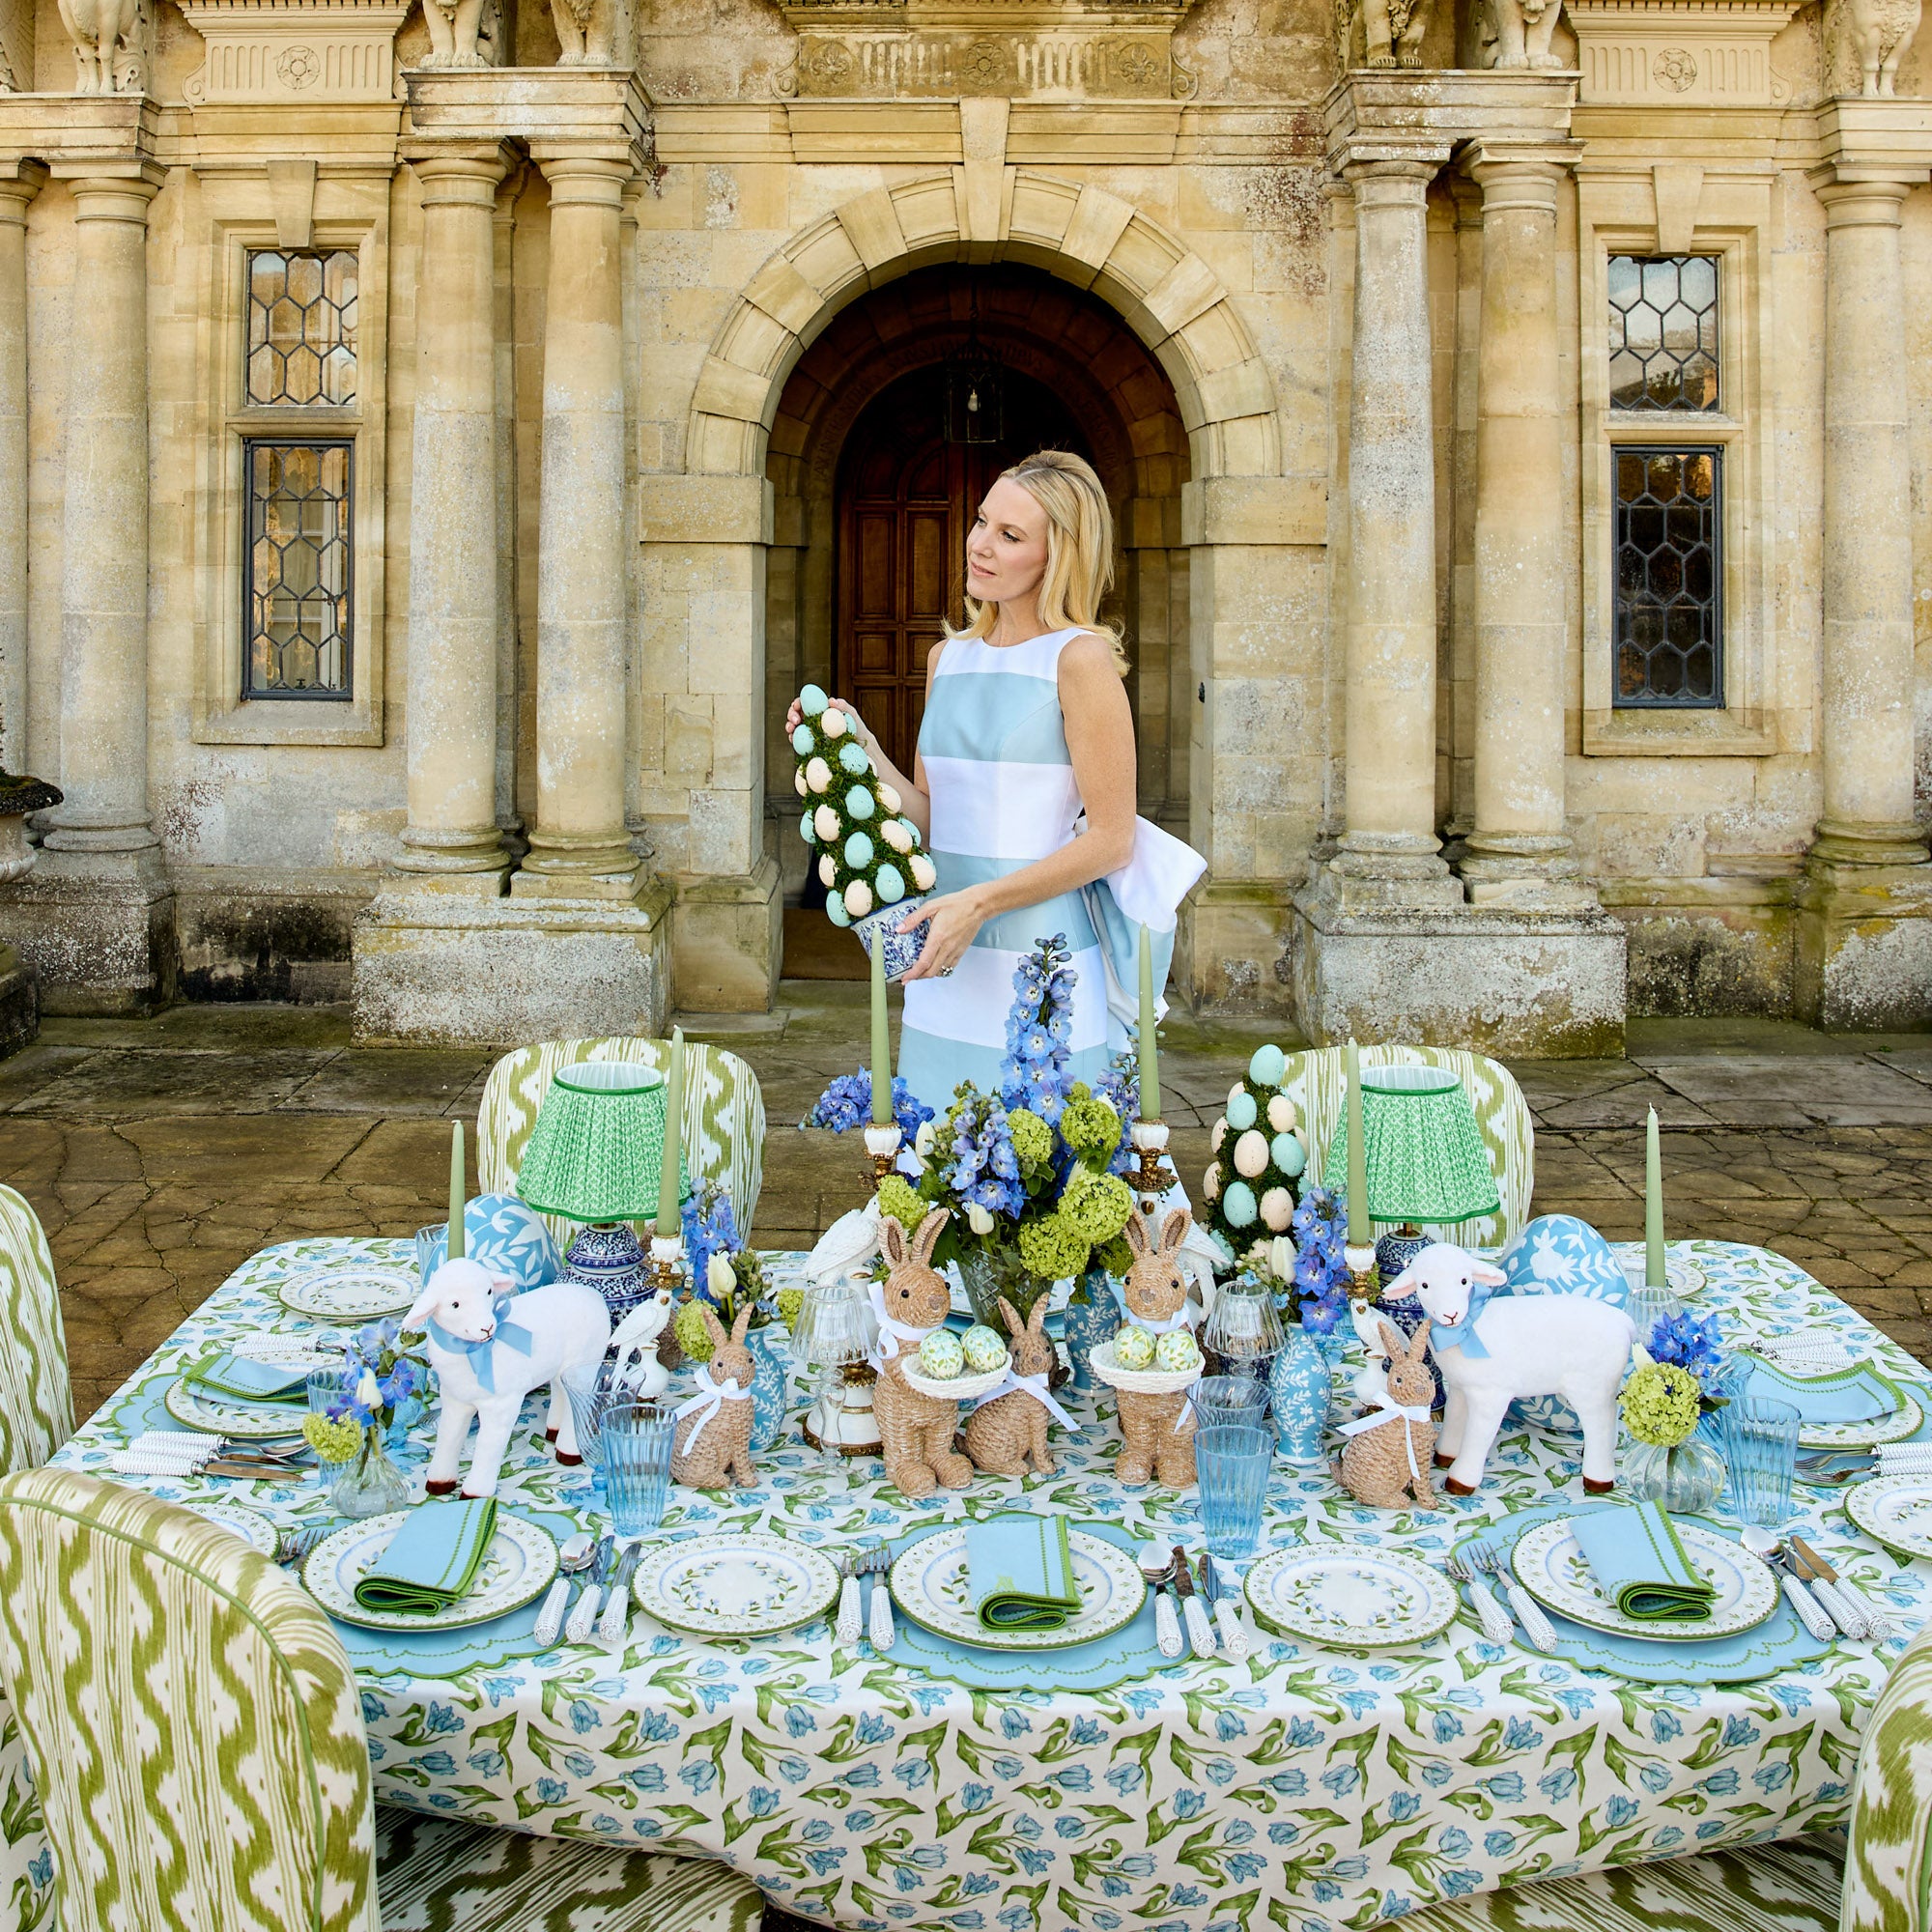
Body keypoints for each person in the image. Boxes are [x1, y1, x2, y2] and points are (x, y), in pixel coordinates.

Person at [786, 448, 1204, 1108]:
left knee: (1045, 1178)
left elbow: (1111, 841)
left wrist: (977, 905)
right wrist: (861, 746)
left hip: (1041, 961)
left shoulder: (1080, 660)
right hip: (944, 958)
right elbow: (931, 816)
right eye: (982, 523)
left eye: (1009, 536)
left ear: (1057, 556)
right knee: (940, 1163)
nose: (979, 545)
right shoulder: (945, 658)